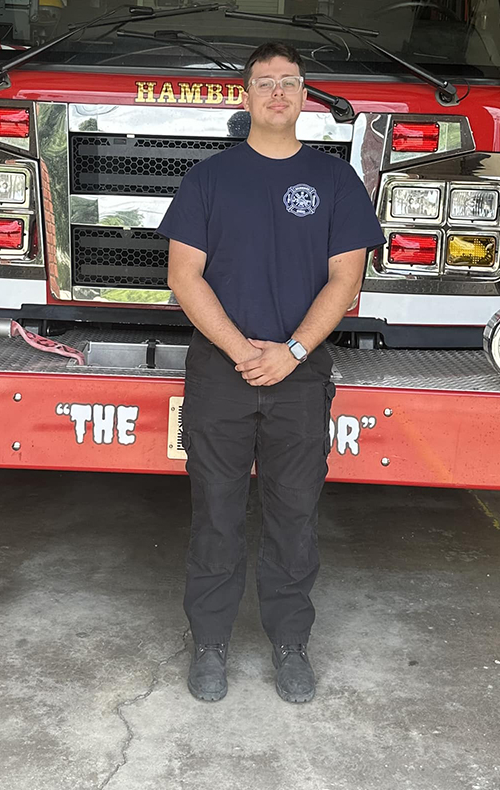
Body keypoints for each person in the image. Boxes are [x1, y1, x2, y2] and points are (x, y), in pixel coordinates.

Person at [157, 42, 384, 703]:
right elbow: (183, 277)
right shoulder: (208, 179)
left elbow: (347, 278)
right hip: (221, 374)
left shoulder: (335, 181)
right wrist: (241, 351)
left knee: (294, 518)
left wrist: (290, 351)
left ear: (305, 95)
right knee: (216, 517)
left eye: (290, 82)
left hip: (300, 375)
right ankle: (210, 646)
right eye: (265, 82)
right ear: (245, 96)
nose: (278, 92)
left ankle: (290, 645)